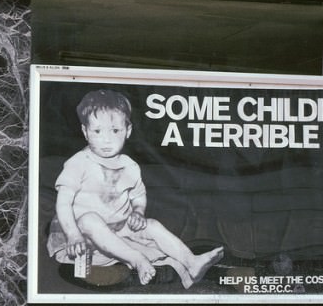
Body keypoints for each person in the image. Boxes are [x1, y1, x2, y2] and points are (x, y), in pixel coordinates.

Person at [47, 89, 224, 287]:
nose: (107, 139)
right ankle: (137, 260)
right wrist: (73, 234)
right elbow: (63, 203)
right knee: (90, 219)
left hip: (118, 229)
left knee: (153, 225)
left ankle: (191, 262)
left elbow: (139, 196)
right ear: (85, 132)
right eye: (97, 131)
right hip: (82, 236)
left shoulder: (130, 166)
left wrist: (138, 212)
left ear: (127, 131)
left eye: (115, 130)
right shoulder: (78, 163)